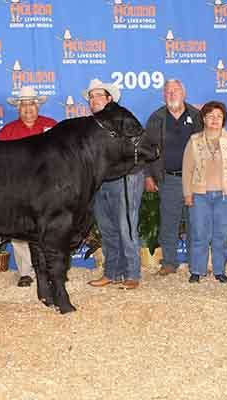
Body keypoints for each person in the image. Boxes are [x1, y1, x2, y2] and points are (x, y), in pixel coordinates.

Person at [82, 78, 143, 290]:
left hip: (125, 177)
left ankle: (132, 274)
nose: (94, 99)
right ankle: (112, 273)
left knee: (126, 227)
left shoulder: (122, 118)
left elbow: (137, 146)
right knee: (108, 229)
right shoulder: (92, 125)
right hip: (102, 180)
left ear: (110, 99)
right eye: (91, 96)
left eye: (99, 95)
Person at [0, 86, 57, 287]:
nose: (28, 108)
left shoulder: (52, 127)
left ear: (38, 105)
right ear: (18, 108)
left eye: (31, 103)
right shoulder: (8, 131)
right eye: (24, 104)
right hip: (18, 188)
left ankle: (50, 268)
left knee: (49, 228)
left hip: (48, 187)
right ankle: (25, 272)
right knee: (20, 227)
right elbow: (0, 163)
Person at [182, 101, 227, 283]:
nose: (215, 120)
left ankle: (219, 270)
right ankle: (196, 270)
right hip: (199, 195)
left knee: (221, 234)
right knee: (199, 234)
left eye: (219, 116)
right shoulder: (194, 140)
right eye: (210, 116)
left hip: (226, 195)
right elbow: (187, 169)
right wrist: (187, 193)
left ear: (224, 119)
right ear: (203, 118)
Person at [144, 79, 203, 276]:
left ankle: (196, 265)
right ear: (163, 95)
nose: (172, 94)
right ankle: (169, 262)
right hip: (168, 179)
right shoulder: (156, 118)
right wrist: (148, 176)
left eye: (176, 90)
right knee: (169, 223)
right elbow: (147, 149)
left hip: (195, 180)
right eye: (168, 91)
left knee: (195, 223)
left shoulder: (197, 116)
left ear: (183, 93)